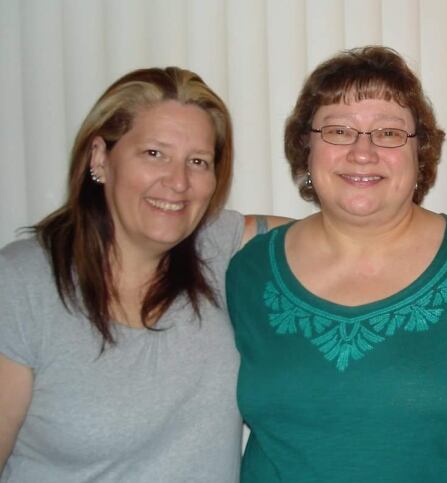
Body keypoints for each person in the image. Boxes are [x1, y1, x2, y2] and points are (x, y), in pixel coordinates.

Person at [226, 46, 447, 482]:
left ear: (420, 152)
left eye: (388, 133)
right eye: (338, 130)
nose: (362, 152)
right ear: (305, 146)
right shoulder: (250, 271)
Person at [0, 67, 287, 482]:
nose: (178, 182)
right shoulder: (21, 284)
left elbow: (339, 235)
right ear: (100, 157)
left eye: (198, 161)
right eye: (154, 153)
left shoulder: (216, 247)